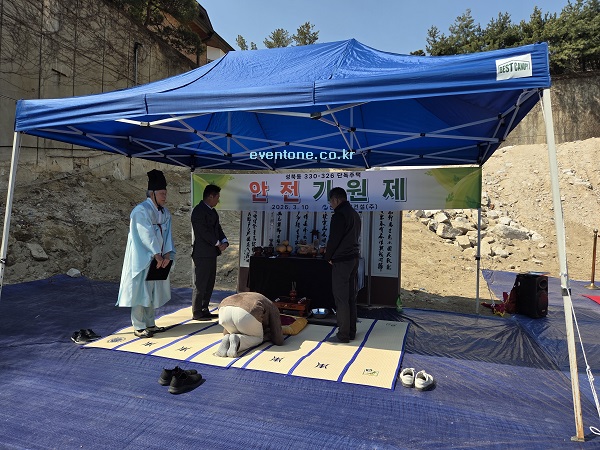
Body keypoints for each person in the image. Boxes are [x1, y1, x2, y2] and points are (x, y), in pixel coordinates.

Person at [117, 169, 175, 338]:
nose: (164, 196)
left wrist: (167, 254)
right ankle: (138, 325)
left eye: (165, 193)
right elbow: (145, 234)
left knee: (151, 291)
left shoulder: (165, 212)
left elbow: (168, 235)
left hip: (158, 257)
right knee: (140, 291)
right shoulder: (141, 210)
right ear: (152, 193)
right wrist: (156, 254)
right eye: (162, 193)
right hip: (142, 258)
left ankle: (150, 323)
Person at [324, 187, 361, 343]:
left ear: (336, 199)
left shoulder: (339, 215)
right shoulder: (354, 214)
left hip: (342, 260)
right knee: (351, 297)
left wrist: (328, 256)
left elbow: (334, 239)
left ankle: (343, 334)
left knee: (341, 298)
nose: (331, 205)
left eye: (331, 202)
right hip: (353, 258)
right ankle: (351, 331)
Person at [191, 184, 229, 320]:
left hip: (212, 253)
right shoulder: (198, 211)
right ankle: (197, 311)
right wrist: (217, 243)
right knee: (201, 283)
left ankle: (204, 308)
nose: (218, 200)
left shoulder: (213, 212)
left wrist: (224, 241)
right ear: (211, 196)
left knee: (209, 282)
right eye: (217, 197)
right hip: (202, 253)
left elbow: (218, 228)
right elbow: (203, 232)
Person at [214, 292, 284, 358]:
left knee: (236, 329)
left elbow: (225, 331)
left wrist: (228, 333)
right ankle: (238, 340)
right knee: (258, 338)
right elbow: (278, 340)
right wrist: (267, 336)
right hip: (246, 312)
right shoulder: (273, 307)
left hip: (224, 308)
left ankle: (227, 338)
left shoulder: (256, 297)